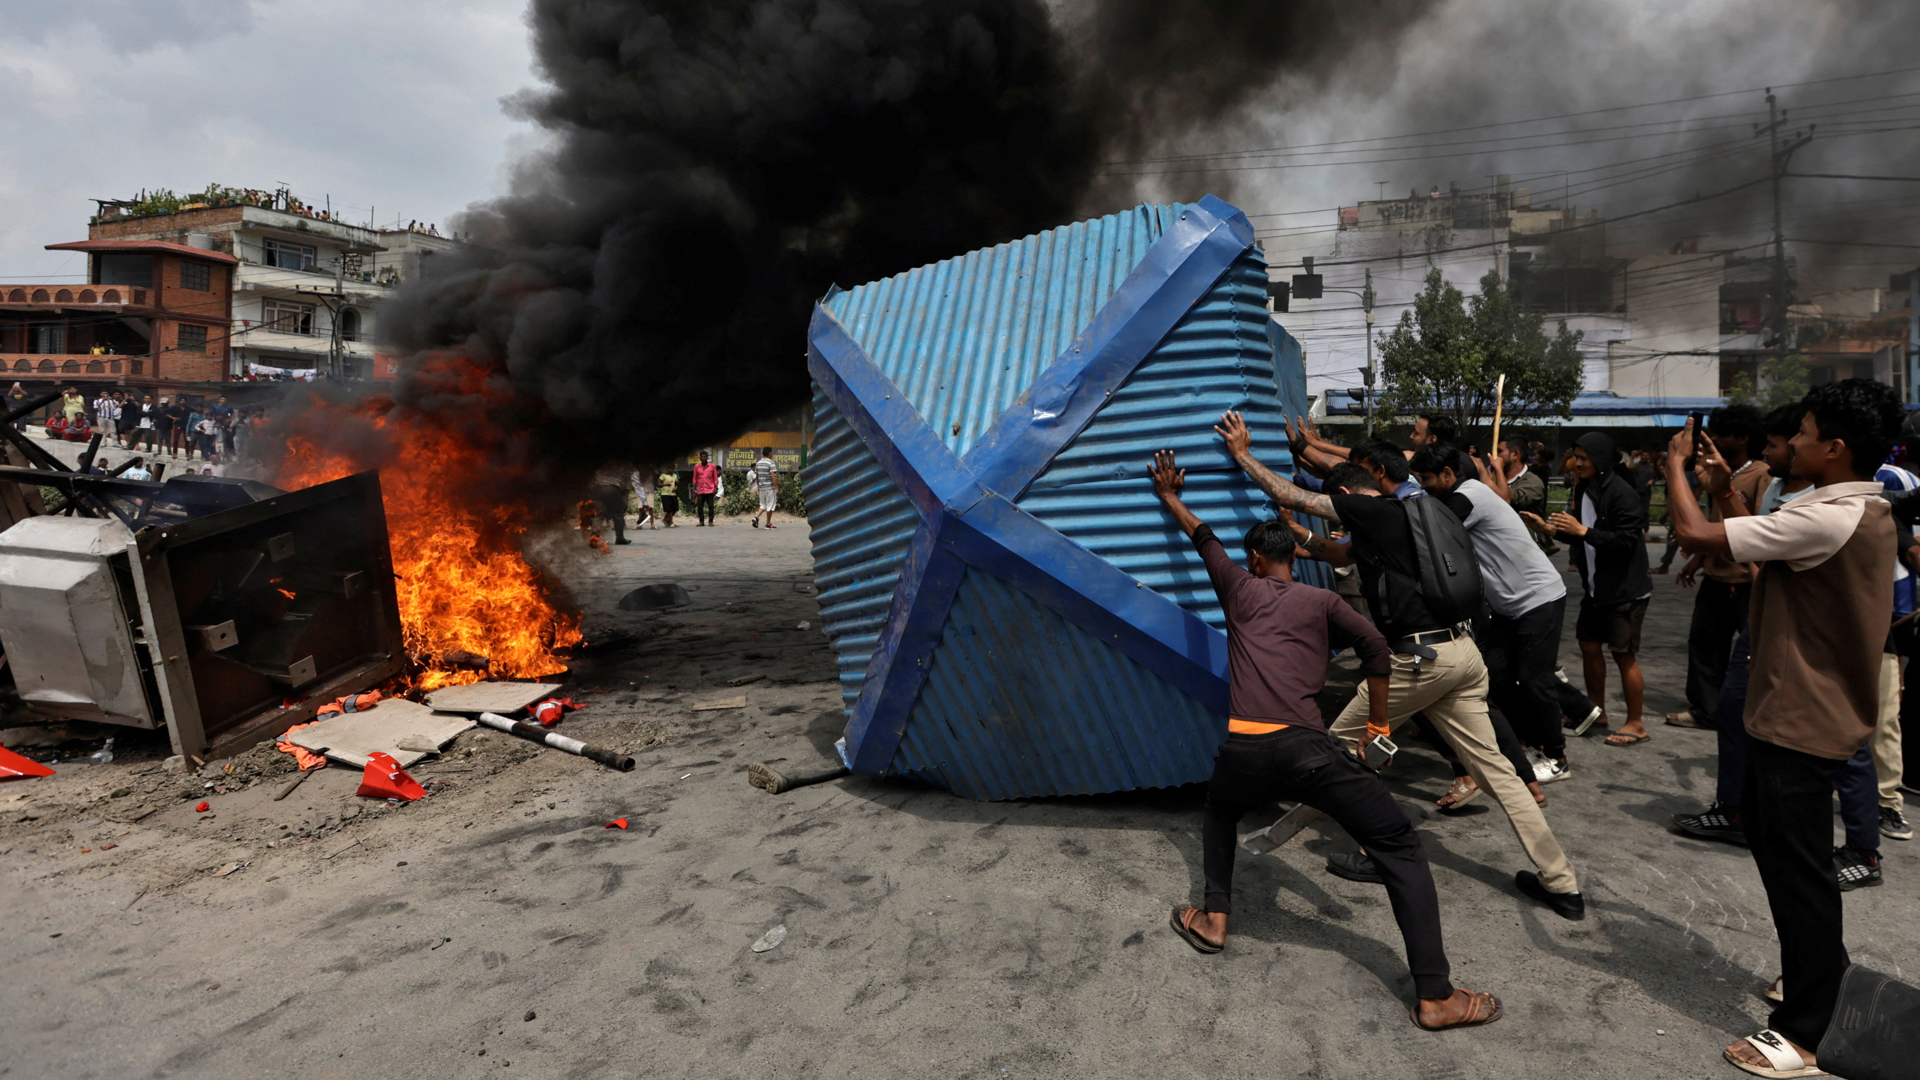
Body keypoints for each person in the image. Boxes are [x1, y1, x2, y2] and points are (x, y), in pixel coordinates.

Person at [1149, 450, 1502, 1031]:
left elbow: (1202, 537)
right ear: (1292, 558)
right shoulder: (1324, 601)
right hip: (1307, 752)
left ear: (1254, 559)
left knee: (1219, 811)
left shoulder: (1237, 588)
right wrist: (1378, 724)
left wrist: (1169, 494)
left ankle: (1214, 918)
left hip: (1243, 747)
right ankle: (1436, 996)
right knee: (1399, 847)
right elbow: (1377, 650)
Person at [1217, 411, 1584, 919]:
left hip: (1419, 660)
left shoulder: (1372, 509)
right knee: (1498, 772)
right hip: (1461, 653)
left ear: (1353, 493)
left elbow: (1295, 495)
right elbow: (1340, 555)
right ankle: (1562, 884)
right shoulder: (1420, 512)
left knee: (1336, 746)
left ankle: (1374, 849)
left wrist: (1242, 456)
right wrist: (1302, 540)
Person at [1666, 379, 1900, 1077]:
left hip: (1802, 718)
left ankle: (1807, 1030)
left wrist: (1675, 468)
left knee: (1799, 874)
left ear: (1835, 448)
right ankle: (1819, 975)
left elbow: (1695, 536)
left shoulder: (1834, 516)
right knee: (1786, 859)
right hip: (1796, 712)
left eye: (1802, 432)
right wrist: (1722, 488)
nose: (1791, 442)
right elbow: (1756, 550)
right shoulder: (1842, 508)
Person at [1411, 443, 1602, 786]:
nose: (1423, 486)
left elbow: (1423, 533)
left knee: (1534, 680)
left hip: (1537, 598)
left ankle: (1556, 757)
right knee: (1496, 676)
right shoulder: (1462, 494)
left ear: (1448, 474)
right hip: (1509, 607)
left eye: (1425, 479)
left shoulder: (1467, 498)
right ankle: (1526, 744)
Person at [1672, 405, 1813, 847]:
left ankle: (1860, 840)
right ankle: (1736, 807)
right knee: (1732, 699)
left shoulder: (1814, 504)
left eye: (1783, 441)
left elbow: (1705, 532)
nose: (1773, 450)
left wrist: (1675, 466)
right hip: (1758, 601)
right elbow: (1745, 530)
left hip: (1770, 609)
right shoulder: (1774, 485)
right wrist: (1721, 492)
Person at [1522, 433, 1653, 747]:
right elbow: (1581, 534)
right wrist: (1549, 529)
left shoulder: (1621, 492)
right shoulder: (1585, 489)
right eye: (1575, 456)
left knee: (1623, 655)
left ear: (1601, 458)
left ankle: (1636, 724)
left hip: (1625, 590)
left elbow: (1626, 542)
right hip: (1597, 588)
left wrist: (1582, 530)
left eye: (1583, 458)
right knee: (1589, 646)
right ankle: (1597, 712)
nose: (1576, 463)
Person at [1666, 406, 1768, 732]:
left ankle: (1754, 711)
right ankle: (1706, 710)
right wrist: (1698, 560)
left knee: (1754, 648)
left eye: (1722, 434)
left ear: (1743, 438)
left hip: (1747, 579)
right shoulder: (1715, 471)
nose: (1715, 440)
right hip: (1716, 575)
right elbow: (1715, 521)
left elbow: (1758, 528)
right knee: (1705, 644)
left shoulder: (1761, 475)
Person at [590, 461, 633, 545]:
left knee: (599, 514)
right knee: (618, 513)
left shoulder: (604, 462)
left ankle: (594, 537)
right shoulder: (625, 464)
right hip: (612, 487)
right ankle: (620, 538)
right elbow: (630, 479)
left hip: (597, 487)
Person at [751, 447, 779, 529]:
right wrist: (776, 487)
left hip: (762, 487)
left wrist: (759, 487)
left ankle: (756, 517)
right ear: (769, 453)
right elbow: (773, 476)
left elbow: (757, 476)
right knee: (770, 506)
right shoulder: (771, 463)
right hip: (769, 487)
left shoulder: (758, 463)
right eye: (771, 452)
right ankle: (768, 523)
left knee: (763, 505)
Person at [692, 451, 720, 526]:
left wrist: (715, 488)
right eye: (702, 457)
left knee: (710, 506)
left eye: (705, 457)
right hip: (700, 489)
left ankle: (710, 521)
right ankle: (701, 521)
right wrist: (693, 488)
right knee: (700, 506)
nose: (703, 458)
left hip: (710, 489)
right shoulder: (697, 466)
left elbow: (715, 478)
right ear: (700, 458)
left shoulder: (712, 466)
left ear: (707, 457)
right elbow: (695, 478)